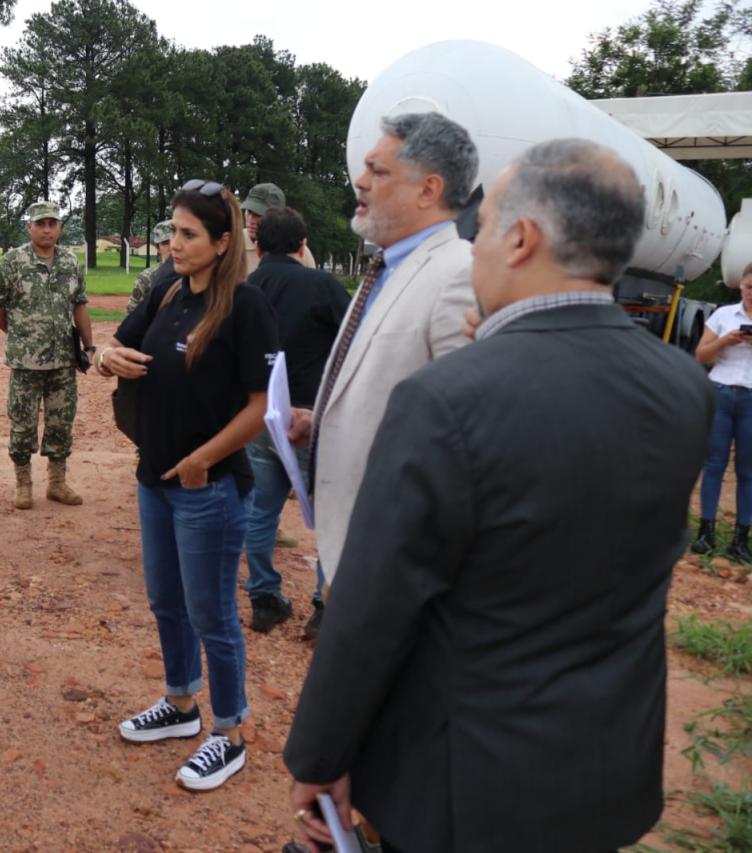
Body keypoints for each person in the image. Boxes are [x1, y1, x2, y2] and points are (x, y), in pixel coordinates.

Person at [284, 139, 712, 853]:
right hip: (606, 769)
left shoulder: (445, 400)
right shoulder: (681, 386)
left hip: (465, 783)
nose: (472, 246)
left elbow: (374, 605)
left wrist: (321, 755)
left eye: (480, 230)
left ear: (521, 238)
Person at [99, 180, 278, 791]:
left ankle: (227, 732)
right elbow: (117, 344)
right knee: (167, 602)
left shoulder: (245, 308)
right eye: (171, 231)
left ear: (224, 242)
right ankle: (181, 706)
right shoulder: (168, 291)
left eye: (188, 234)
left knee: (213, 613)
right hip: (154, 478)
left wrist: (204, 459)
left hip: (210, 487)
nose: (173, 243)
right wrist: (107, 357)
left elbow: (262, 406)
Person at [288, 112, 478, 599]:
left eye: (379, 170)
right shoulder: (389, 266)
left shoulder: (458, 276)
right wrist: (322, 422)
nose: (360, 179)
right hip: (356, 546)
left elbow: (467, 443)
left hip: (395, 558)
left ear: (428, 189)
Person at [241, 207, 349, 636]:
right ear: (303, 245)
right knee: (329, 513)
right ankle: (324, 604)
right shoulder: (323, 284)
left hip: (259, 416)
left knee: (261, 510)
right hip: (311, 417)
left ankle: (264, 596)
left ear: (260, 245)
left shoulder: (246, 288)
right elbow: (353, 341)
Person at [0, 201, 94, 509]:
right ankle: (23, 484)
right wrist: (19, 333)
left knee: (61, 422)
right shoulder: (13, 262)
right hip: (25, 363)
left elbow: (80, 305)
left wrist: (89, 346)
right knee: (23, 424)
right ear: (30, 227)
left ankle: (57, 483)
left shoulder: (71, 262)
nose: (47, 229)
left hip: (63, 361)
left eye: (52, 224)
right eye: (41, 224)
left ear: (59, 228)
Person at [692, 261, 752, 562]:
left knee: (747, 470)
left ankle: (741, 539)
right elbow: (700, 355)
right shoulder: (723, 315)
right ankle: (706, 532)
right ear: (740, 285)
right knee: (713, 464)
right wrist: (725, 340)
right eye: (750, 287)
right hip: (721, 392)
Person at [241, 183, 315, 277]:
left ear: (279, 217)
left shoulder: (298, 251)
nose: (250, 220)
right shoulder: (233, 244)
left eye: (258, 214)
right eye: (248, 212)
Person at [126, 220, 173, 315]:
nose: (171, 247)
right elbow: (133, 314)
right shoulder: (147, 278)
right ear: (158, 247)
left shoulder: (196, 275)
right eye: (165, 243)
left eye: (175, 241)